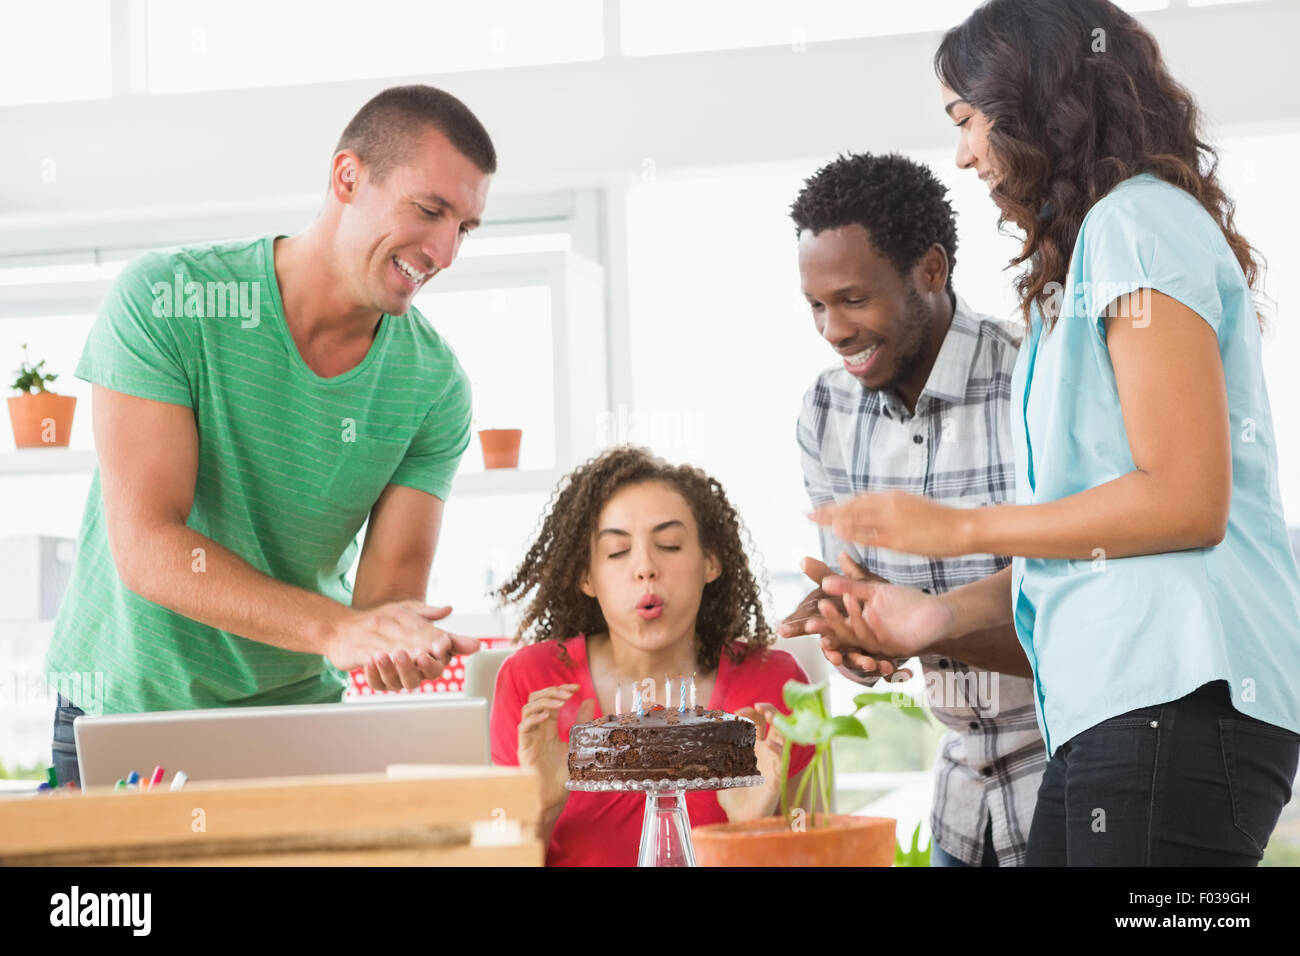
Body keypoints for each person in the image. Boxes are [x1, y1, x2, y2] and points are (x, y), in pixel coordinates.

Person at [809, 0, 1300, 865]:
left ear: (1032, 100)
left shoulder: (1138, 223)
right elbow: (1089, 540)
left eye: (966, 119)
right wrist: (931, 619)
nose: (962, 151)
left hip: (1181, 699)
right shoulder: (1080, 267)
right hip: (1119, 708)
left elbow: (1186, 502)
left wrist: (960, 529)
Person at [46, 85, 493, 784]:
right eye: (429, 210)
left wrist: (400, 642)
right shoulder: (168, 299)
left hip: (293, 724)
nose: (443, 250)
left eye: (464, 227)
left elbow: (381, 607)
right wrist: (335, 630)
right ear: (348, 177)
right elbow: (148, 548)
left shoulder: (436, 388)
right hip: (123, 713)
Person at [778, 152, 1045, 866]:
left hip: (1067, 773)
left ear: (930, 269)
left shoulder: (1031, 380)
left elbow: (1075, 622)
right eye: (816, 306)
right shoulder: (827, 411)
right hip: (962, 789)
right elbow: (866, 597)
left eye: (853, 299)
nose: (833, 329)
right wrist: (847, 624)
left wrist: (913, 628)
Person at [490, 446, 816, 866]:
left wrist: (748, 829)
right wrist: (540, 810)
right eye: (617, 551)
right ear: (586, 576)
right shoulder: (532, 682)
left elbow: (812, 846)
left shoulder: (774, 685)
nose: (645, 567)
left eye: (670, 544)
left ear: (711, 561)